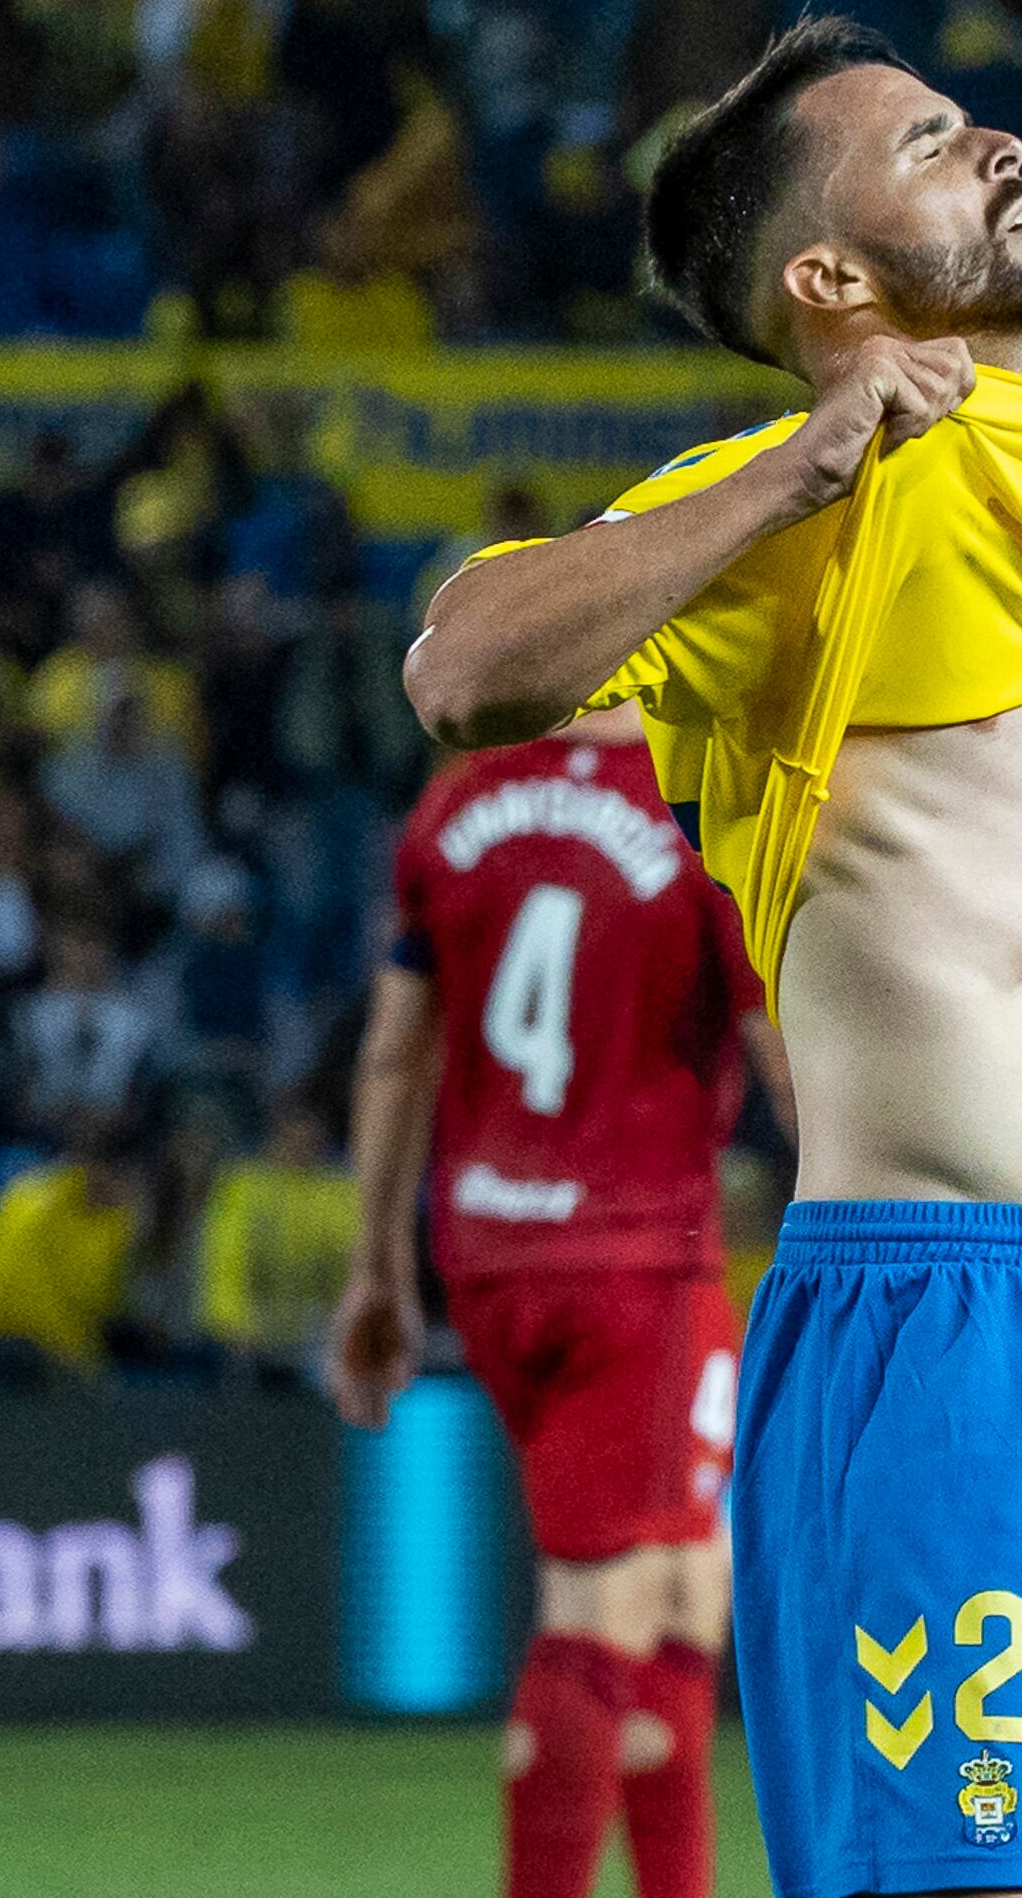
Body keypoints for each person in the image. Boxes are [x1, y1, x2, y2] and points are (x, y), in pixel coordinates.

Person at [398, 17, 1022, 1898]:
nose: (990, 137)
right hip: (941, 1321)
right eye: (921, 140)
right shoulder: (775, 506)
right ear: (825, 278)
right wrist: (789, 475)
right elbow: (462, 666)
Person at [326, 705, 789, 1898]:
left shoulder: (456, 807)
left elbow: (393, 1053)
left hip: (491, 1254)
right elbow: (782, 1051)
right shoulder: (697, 814)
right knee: (603, 1603)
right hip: (639, 1257)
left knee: (691, 1589)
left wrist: (378, 1265)